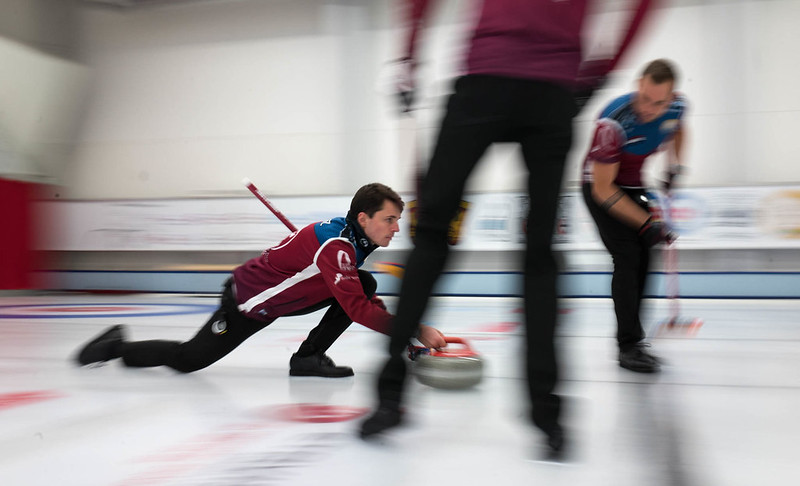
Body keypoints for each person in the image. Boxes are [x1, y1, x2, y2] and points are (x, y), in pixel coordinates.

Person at [360, 0, 659, 460]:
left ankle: (390, 395)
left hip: (486, 80)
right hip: (553, 90)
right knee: (540, 251)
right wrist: (601, 69)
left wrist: (409, 56)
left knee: (434, 236)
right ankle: (548, 416)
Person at [74, 183, 447, 376]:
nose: (397, 227)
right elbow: (356, 309)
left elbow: (358, 297)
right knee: (188, 359)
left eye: (398, 219)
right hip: (246, 303)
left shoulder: (348, 241)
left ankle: (308, 359)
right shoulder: (337, 246)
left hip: (275, 303)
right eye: (390, 219)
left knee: (364, 284)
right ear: (364, 218)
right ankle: (114, 347)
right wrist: (413, 328)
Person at [581, 59, 685, 373]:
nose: (649, 109)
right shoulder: (613, 123)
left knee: (646, 255)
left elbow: (678, 129)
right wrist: (647, 223)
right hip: (601, 188)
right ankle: (627, 347)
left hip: (633, 184)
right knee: (627, 255)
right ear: (638, 86)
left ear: (671, 98)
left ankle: (635, 341)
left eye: (659, 102)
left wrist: (675, 166)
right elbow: (604, 190)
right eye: (645, 99)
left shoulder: (676, 108)